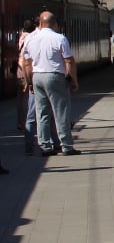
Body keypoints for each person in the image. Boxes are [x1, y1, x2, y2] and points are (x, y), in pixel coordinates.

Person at [22, 10, 80, 156]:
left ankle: (45, 146)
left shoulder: (30, 39)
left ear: (40, 23)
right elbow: (69, 61)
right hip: (54, 76)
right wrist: (73, 80)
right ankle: (66, 145)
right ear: (54, 24)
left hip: (37, 77)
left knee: (41, 113)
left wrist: (29, 82)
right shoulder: (59, 38)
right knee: (60, 112)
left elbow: (27, 64)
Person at [18, 18, 39, 157]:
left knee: (29, 113)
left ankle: (29, 145)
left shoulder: (24, 38)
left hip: (28, 75)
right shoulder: (32, 38)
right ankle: (49, 143)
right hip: (38, 76)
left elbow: (26, 63)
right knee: (48, 114)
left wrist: (28, 81)